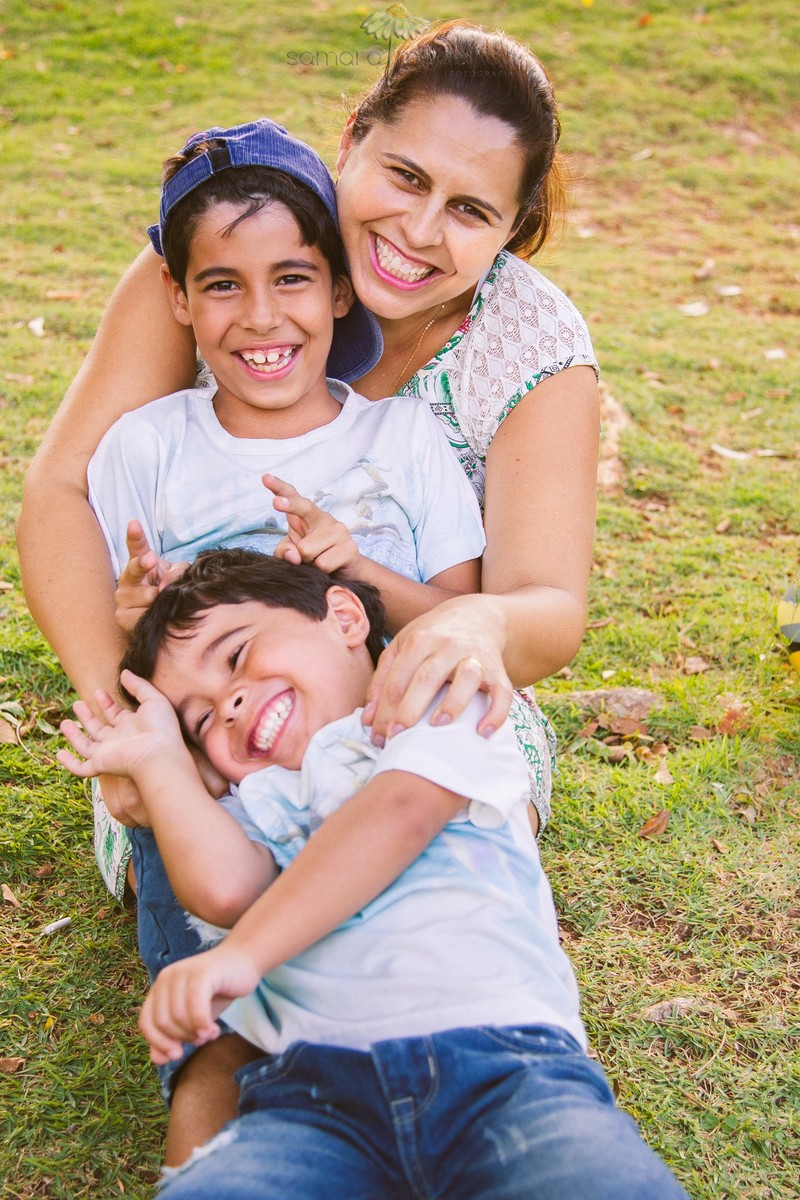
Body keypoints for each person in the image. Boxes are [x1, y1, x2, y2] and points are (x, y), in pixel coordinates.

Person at [18, 20, 601, 1163]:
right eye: (401, 175)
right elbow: (60, 498)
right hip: (210, 707)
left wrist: (465, 620)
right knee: (226, 993)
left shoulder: (531, 350)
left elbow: (546, 610)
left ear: (511, 233)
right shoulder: (227, 240)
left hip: (411, 687)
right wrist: (131, 711)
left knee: (428, 874)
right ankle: (248, 1108)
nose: (418, 231)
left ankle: (485, 1083)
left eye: (471, 212)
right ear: (353, 140)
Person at [58, 550, 689, 1200]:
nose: (230, 704)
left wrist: (242, 957)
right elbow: (225, 890)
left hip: (506, 1069)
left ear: (343, 617)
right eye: (200, 718)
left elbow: (398, 815)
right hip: (307, 1098)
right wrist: (162, 758)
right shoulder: (256, 796)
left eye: (236, 655)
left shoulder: (438, 702)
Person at [87, 115, 485, 894]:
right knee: (202, 876)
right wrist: (134, 617)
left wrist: (354, 563)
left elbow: (457, 618)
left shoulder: (402, 436)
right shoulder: (145, 447)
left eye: (292, 278)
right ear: (177, 296)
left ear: (340, 289)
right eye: (223, 284)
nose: (262, 316)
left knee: (427, 885)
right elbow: (142, 651)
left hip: (387, 746)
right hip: (222, 772)